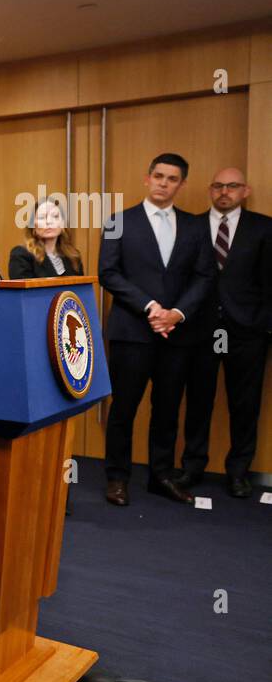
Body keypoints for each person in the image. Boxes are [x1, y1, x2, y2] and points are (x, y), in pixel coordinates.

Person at [98, 153, 216, 506]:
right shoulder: (117, 221)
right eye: (159, 176)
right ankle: (117, 478)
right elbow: (109, 273)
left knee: (167, 410)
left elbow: (205, 275)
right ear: (147, 179)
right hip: (132, 332)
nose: (164, 183)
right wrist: (151, 308)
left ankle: (161, 476)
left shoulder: (196, 226)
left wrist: (177, 313)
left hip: (178, 336)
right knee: (123, 409)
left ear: (181, 184)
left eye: (172, 178)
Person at [179, 168, 272, 498]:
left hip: (247, 331)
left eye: (232, 186)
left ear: (245, 191)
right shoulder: (189, 226)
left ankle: (238, 471)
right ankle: (192, 467)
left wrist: (261, 323)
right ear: (209, 189)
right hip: (199, 329)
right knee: (198, 402)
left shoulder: (264, 227)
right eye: (218, 185)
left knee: (244, 405)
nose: (224, 192)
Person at [9, 196, 84, 278]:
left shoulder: (73, 256)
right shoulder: (21, 255)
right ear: (33, 226)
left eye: (55, 216)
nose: (49, 221)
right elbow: (23, 290)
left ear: (63, 224)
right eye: (42, 217)